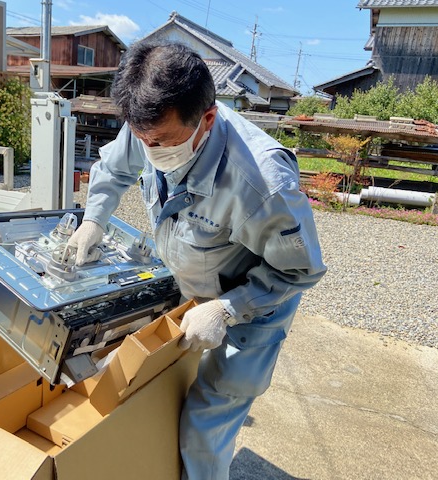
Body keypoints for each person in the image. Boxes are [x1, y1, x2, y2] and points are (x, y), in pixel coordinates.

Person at [67, 40, 327, 479]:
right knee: (160, 391)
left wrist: (228, 310)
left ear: (207, 118)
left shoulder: (261, 182)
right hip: (192, 282)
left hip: (251, 310)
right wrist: (93, 220)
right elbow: (113, 169)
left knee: (203, 428)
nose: (151, 151)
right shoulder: (152, 123)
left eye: (162, 142)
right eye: (142, 139)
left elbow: (300, 269)